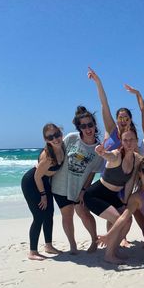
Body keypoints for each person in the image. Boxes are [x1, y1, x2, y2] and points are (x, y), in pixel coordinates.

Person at [83, 127, 142, 262]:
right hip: (95, 195)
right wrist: (101, 152)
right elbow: (108, 155)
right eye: (125, 140)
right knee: (118, 220)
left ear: (136, 141)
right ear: (121, 141)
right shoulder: (116, 155)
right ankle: (108, 255)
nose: (128, 143)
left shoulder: (137, 159)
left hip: (113, 196)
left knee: (127, 220)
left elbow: (130, 183)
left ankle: (113, 248)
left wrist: (125, 203)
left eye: (131, 140)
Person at [51, 106, 103, 254]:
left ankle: (94, 241)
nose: (88, 129)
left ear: (94, 125)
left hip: (78, 188)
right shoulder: (71, 138)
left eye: (90, 125)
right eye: (84, 126)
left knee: (84, 214)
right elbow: (55, 152)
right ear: (79, 127)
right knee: (67, 217)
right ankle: (73, 246)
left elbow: (92, 173)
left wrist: (83, 191)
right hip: (60, 185)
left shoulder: (98, 149)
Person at [21, 124, 65, 260]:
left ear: (61, 133)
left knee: (49, 214)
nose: (55, 139)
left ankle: (48, 246)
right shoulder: (47, 155)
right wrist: (43, 195)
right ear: (46, 139)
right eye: (50, 137)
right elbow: (37, 176)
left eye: (57, 134)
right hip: (32, 183)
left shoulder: (62, 146)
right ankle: (32, 252)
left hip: (44, 182)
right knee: (39, 216)